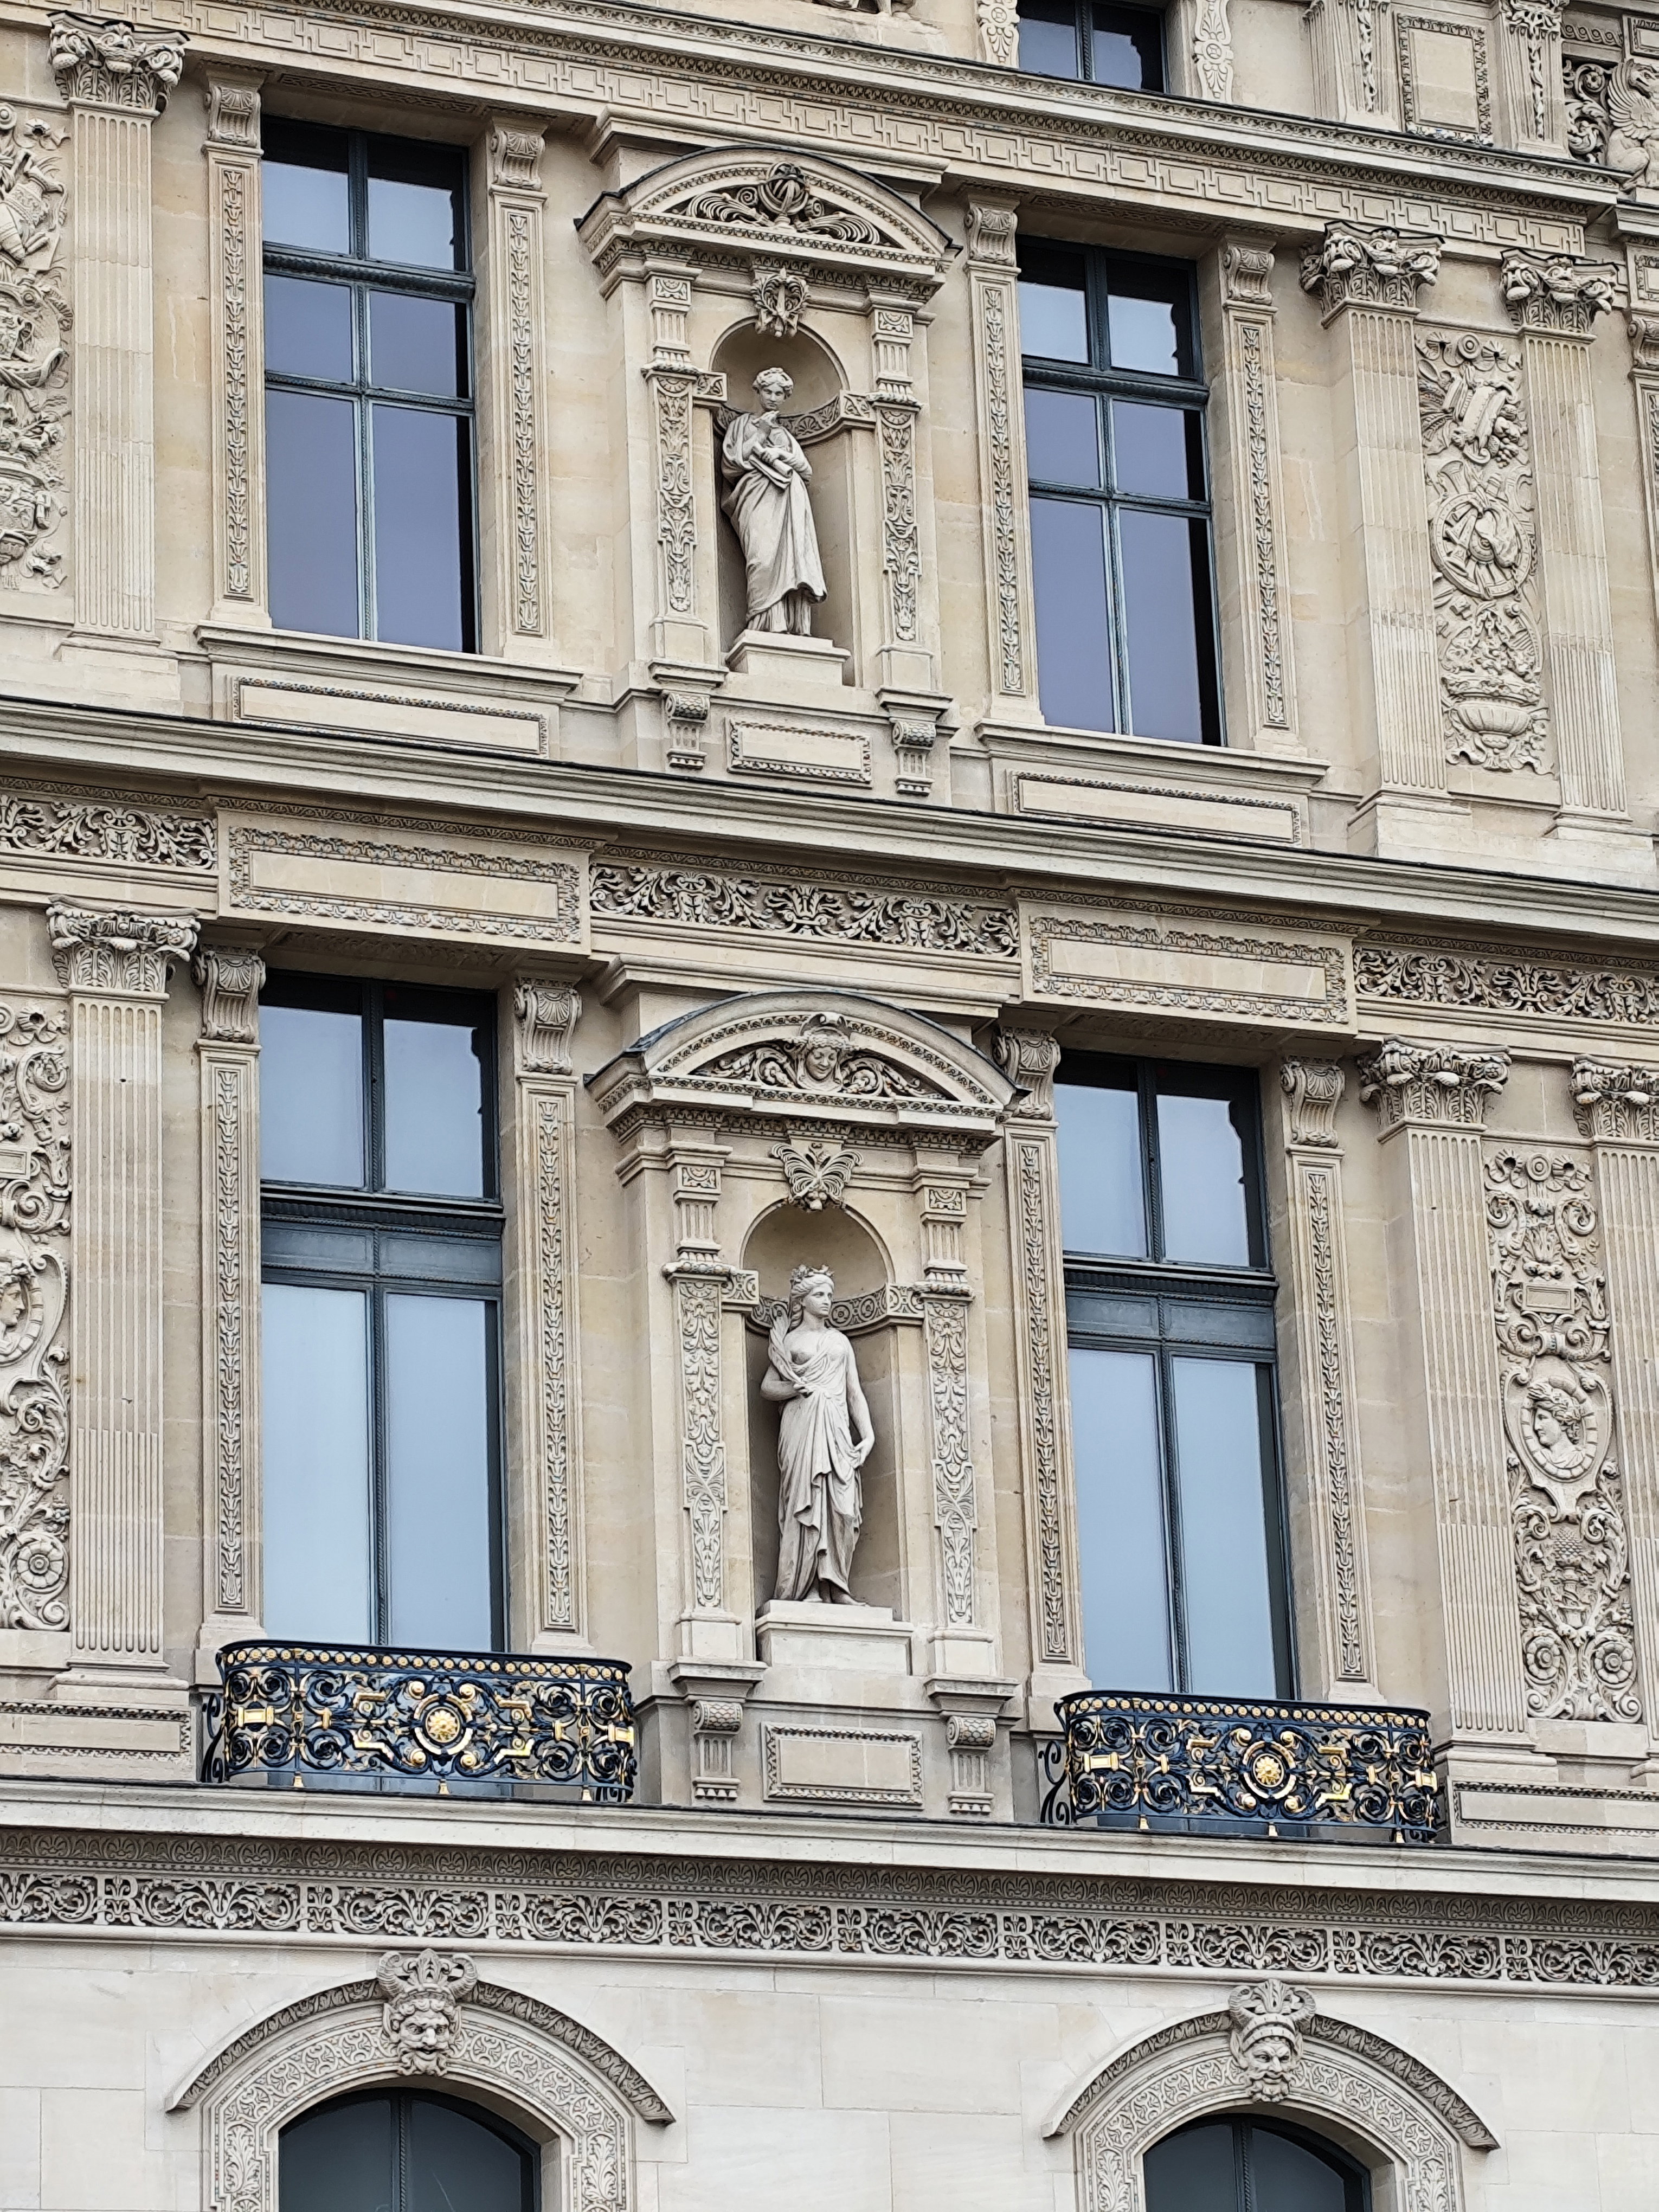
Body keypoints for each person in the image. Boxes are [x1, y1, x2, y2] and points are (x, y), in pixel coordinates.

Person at [763, 1264, 873, 1603]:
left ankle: (838, 1586)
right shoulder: (790, 1341)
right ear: (803, 1300)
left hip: (837, 1431)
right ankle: (807, 1587)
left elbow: (854, 1392)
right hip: (803, 1427)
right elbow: (768, 1387)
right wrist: (793, 1389)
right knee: (805, 1502)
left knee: (843, 1508)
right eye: (820, 1294)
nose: (827, 1300)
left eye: (829, 1294)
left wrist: (867, 1435)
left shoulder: (840, 1341)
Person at [720, 366, 827, 636]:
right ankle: (763, 621)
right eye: (768, 391)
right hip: (755, 498)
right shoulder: (741, 426)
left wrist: (780, 454)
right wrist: (761, 433)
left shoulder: (786, 437)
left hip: (788, 499)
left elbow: (806, 470)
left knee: (790, 559)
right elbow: (731, 464)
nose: (773, 398)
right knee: (762, 558)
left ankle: (785, 624)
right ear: (758, 392)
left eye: (779, 394)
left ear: (785, 397)